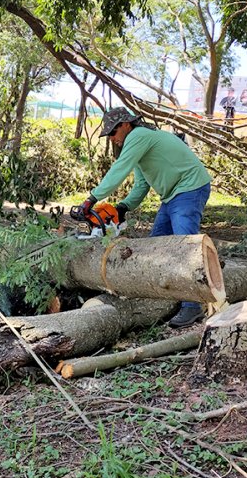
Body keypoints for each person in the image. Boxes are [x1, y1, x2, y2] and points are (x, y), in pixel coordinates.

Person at [77, 107, 212, 327]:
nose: (112, 138)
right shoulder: (140, 145)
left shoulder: (138, 136)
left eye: (113, 132)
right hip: (172, 195)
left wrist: (91, 199)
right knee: (155, 244)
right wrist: (123, 207)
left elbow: (119, 169)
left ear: (126, 125)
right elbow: (141, 184)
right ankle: (162, 293)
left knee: (185, 245)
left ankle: (192, 306)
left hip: (189, 188)